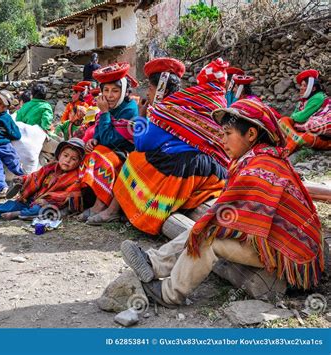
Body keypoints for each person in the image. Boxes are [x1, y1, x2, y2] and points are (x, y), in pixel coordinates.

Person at [121, 99, 324, 307]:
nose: (223, 140)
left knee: (208, 238)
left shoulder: (260, 167)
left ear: (251, 135)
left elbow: (230, 218)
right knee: (204, 228)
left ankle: (169, 293)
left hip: (287, 255)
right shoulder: (259, 159)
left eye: (228, 134)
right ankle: (152, 262)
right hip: (276, 243)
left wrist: (210, 226)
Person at [94, 58, 229, 229]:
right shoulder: (193, 106)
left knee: (136, 160)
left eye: (150, 89)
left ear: (160, 89)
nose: (148, 94)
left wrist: (142, 116)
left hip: (189, 168)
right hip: (213, 170)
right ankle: (118, 211)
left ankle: (119, 212)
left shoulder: (166, 111)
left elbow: (142, 144)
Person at [0, 138, 85, 225]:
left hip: (47, 203)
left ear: (79, 162)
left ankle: (17, 214)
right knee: (10, 204)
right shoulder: (50, 167)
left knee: (41, 211)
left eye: (73, 159)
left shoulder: (75, 177)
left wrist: (47, 199)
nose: (67, 160)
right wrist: (23, 179)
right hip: (32, 198)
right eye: (65, 155)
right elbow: (35, 176)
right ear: (59, 155)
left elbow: (69, 194)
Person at [77, 62, 139, 222]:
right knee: (90, 153)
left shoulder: (129, 109)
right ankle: (91, 201)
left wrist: (104, 112)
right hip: (108, 149)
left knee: (101, 157)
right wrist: (93, 139)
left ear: (124, 92)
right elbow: (100, 132)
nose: (110, 95)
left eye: (115, 91)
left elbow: (111, 139)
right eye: (106, 90)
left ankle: (100, 204)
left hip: (126, 154)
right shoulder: (107, 106)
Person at [279, 69, 330, 154]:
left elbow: (300, 117)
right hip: (305, 131)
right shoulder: (303, 101)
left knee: (304, 137)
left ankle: (287, 147)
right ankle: (294, 138)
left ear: (313, 88)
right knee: (283, 120)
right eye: (301, 85)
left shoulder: (318, 97)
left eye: (304, 86)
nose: (301, 88)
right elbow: (292, 117)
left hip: (321, 134)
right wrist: (294, 118)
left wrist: (295, 119)